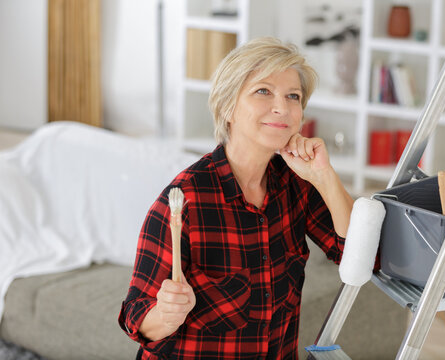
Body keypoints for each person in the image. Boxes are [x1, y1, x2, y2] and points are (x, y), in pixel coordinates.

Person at [119, 37, 354, 359]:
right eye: (263, 91)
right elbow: (136, 319)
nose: (281, 107)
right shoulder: (184, 201)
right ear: (228, 106)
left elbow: (357, 253)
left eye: (293, 96)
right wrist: (164, 314)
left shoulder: (296, 183)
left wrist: (325, 177)